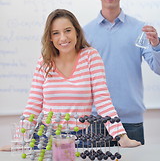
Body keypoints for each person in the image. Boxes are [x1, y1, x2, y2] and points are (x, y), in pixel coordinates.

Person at [0, 8, 141, 152]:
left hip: (81, 139)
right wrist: (18, 141)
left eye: (67, 30)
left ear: (76, 32)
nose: (63, 38)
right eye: (56, 33)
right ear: (50, 37)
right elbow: (33, 105)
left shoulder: (90, 56)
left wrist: (121, 137)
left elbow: (103, 100)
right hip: (45, 139)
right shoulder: (44, 61)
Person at [83, 0, 160, 145]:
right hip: (96, 122)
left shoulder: (139, 29)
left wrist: (156, 45)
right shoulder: (85, 33)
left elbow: (158, 69)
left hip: (130, 122)